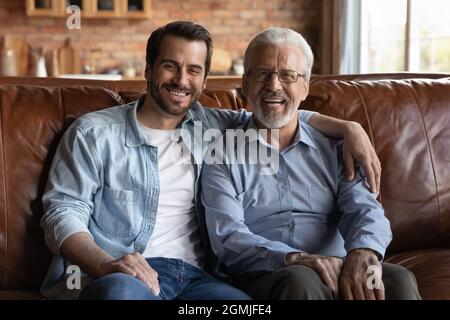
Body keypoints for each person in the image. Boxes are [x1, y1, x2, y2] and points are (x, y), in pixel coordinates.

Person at [41, 21, 382, 300]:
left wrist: (347, 127)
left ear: (205, 81)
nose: (181, 80)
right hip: (123, 276)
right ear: (148, 70)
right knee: (119, 295)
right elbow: (62, 213)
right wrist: (106, 265)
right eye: (170, 66)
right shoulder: (93, 133)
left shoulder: (212, 126)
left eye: (193, 70)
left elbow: (277, 109)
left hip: (198, 281)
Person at [201, 27, 421, 300]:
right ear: (245, 84)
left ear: (305, 87)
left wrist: (362, 252)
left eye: (288, 76)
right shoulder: (222, 154)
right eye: (262, 74)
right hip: (266, 273)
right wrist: (295, 258)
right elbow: (228, 238)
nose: (274, 85)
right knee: (301, 280)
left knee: (397, 279)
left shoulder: (336, 147)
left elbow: (365, 209)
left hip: (339, 265)